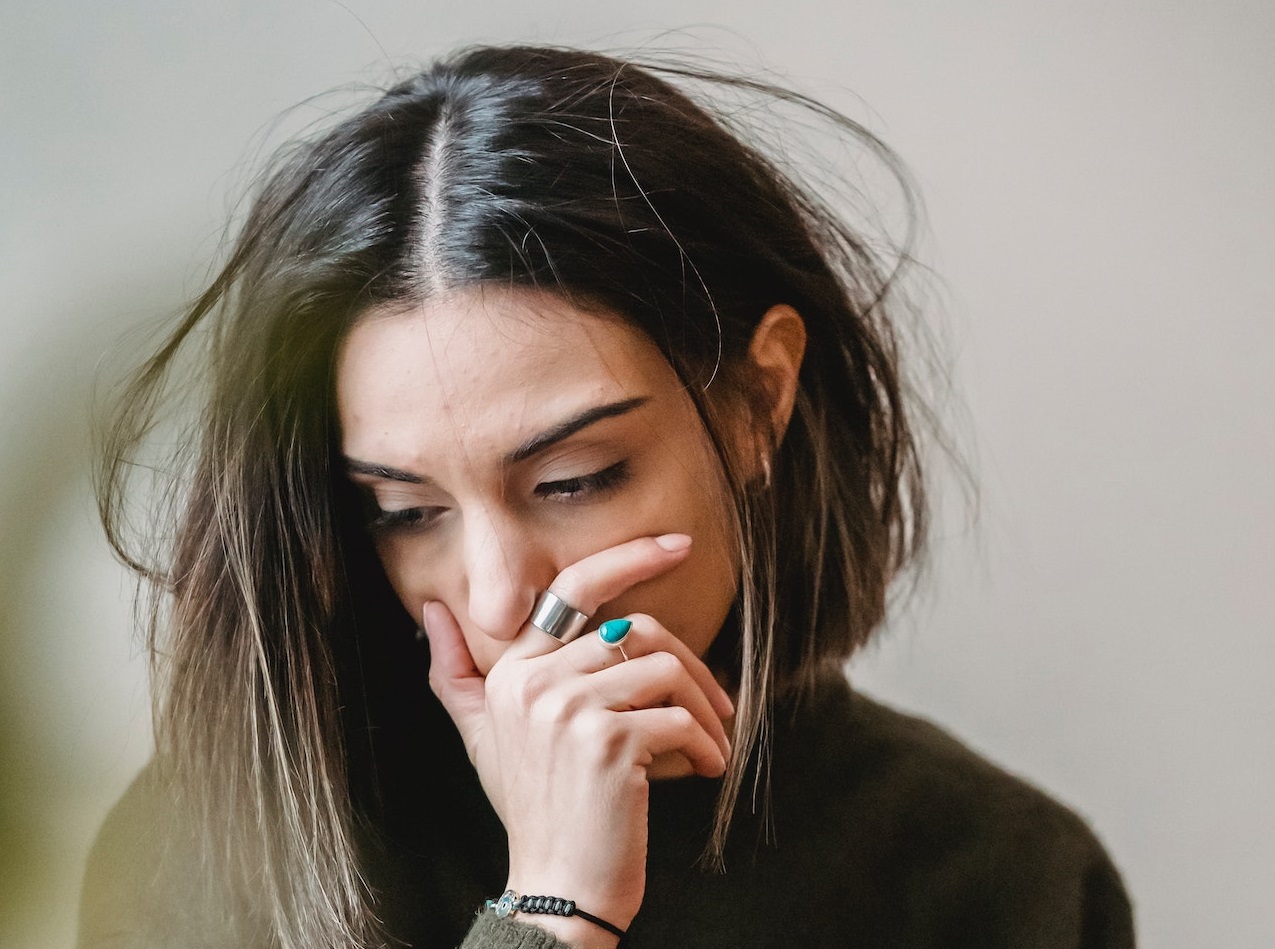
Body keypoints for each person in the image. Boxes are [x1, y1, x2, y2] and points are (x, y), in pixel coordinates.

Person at [80, 43, 1135, 949]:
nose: (497, 600)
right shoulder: (213, 846)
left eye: (572, 480)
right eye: (405, 512)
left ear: (756, 400)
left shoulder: (1007, 879)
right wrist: (553, 908)